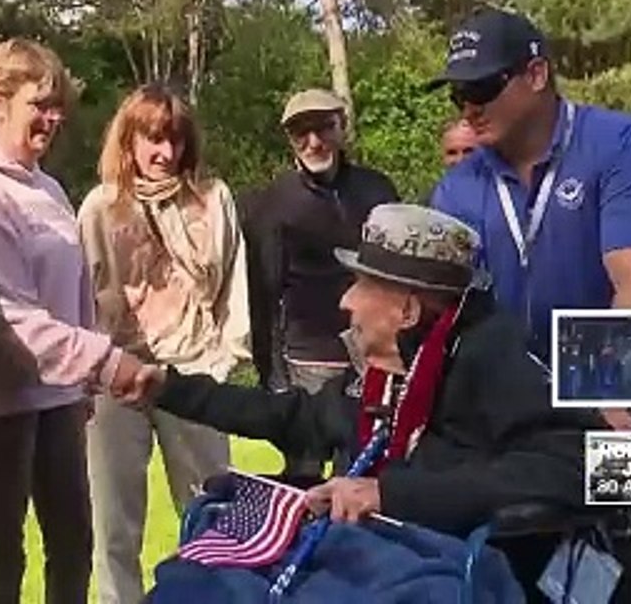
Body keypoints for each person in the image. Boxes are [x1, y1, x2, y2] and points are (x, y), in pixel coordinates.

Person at [133, 203, 590, 593]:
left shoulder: (491, 358)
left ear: (407, 311)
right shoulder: (387, 378)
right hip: (370, 561)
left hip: (433, 573)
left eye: (362, 285)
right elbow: (294, 416)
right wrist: (169, 389)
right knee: (193, 582)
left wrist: (389, 493)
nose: (346, 301)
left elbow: (572, 465)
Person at [426, 7, 631, 601]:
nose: (467, 105)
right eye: (458, 92)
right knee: (550, 582)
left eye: (482, 86)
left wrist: (606, 404)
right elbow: (444, 308)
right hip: (532, 409)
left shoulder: (626, 142)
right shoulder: (460, 186)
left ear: (537, 74)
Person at [0, 38, 149, 604]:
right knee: (0, 553)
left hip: (56, 399)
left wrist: (81, 383)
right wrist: (109, 364)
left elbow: (75, 292)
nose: (53, 117)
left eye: (58, 104)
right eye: (39, 103)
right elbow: (15, 318)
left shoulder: (49, 188)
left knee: (74, 543)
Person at [77, 85, 251, 604]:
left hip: (194, 371)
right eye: (152, 140)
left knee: (211, 513)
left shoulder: (212, 200)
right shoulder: (100, 207)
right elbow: (81, 291)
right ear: (128, 142)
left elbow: (233, 283)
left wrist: (223, 360)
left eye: (174, 140)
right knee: (114, 522)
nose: (165, 154)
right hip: (117, 375)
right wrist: (94, 368)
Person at [241, 89, 399, 483]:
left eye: (324, 128)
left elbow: (398, 282)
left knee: (365, 477)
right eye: (301, 133)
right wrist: (272, 377)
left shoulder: (377, 191)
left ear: (342, 127)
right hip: (307, 365)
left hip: (371, 361)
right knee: (305, 484)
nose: (314, 142)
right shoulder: (274, 204)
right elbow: (263, 296)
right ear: (289, 140)